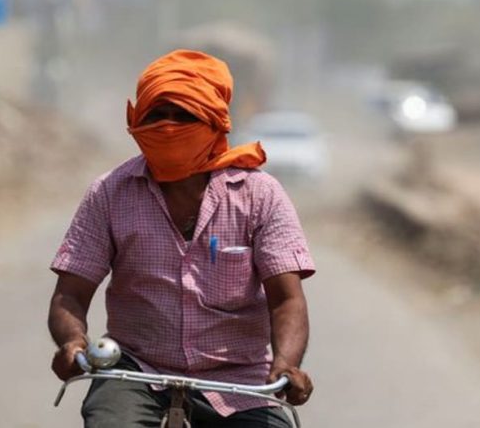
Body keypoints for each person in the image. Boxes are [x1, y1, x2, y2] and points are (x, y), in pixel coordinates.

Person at [48, 49, 315, 428]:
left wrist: (286, 364)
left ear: (215, 123)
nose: (168, 127)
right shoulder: (109, 192)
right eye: (156, 115)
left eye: (184, 116)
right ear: (137, 121)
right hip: (134, 371)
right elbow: (69, 294)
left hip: (238, 380)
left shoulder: (261, 195)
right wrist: (72, 342)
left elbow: (286, 300)